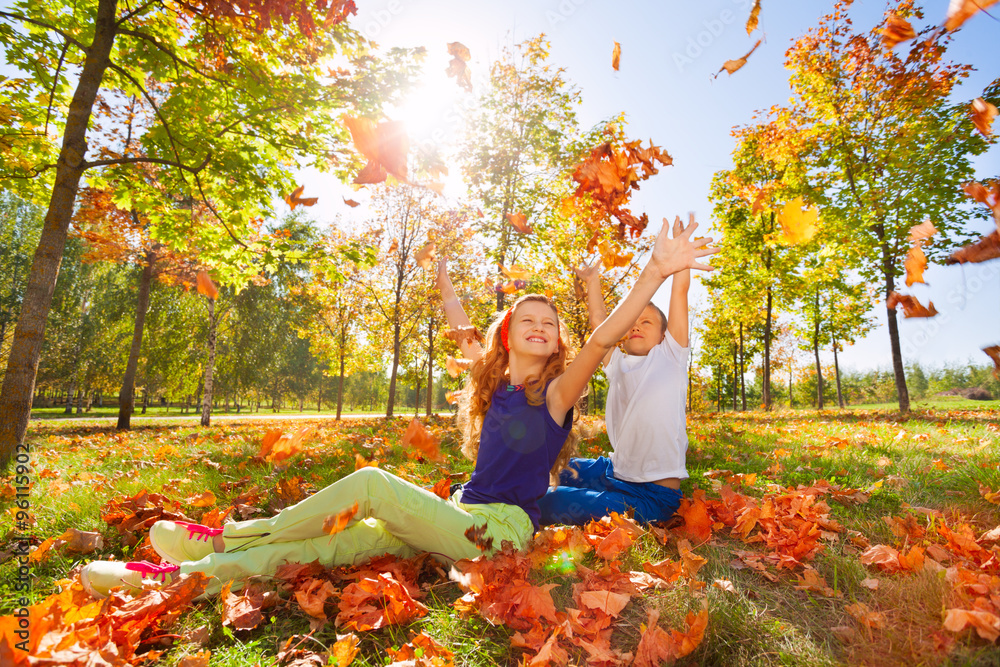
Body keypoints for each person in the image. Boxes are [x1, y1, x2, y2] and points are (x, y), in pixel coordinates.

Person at [80, 218, 715, 599]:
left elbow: (603, 337)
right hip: (460, 515)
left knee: (373, 486)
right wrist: (443, 285)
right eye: (529, 318)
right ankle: (184, 572)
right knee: (337, 547)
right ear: (508, 334)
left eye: (550, 320)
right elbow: (465, 330)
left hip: (498, 532)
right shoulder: (492, 384)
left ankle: (224, 536)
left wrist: (656, 271)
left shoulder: (555, 394)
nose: (543, 324)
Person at [538, 215, 695, 527]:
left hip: (650, 497)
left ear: (664, 335)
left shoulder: (672, 357)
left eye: (646, 322)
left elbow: (679, 294)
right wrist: (592, 280)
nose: (636, 326)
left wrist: (680, 262)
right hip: (610, 471)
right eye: (632, 323)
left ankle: (500, 509)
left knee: (551, 500)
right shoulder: (618, 363)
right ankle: (485, 490)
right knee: (545, 466)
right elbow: (601, 324)